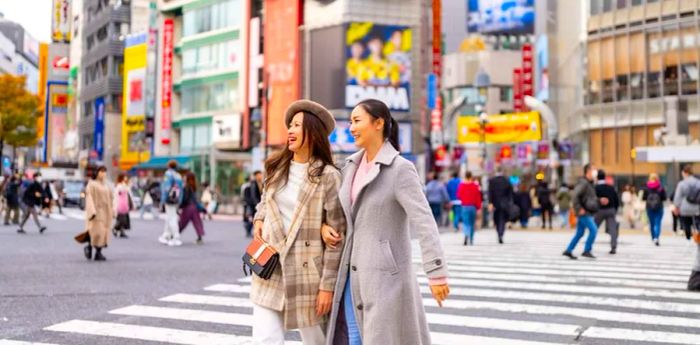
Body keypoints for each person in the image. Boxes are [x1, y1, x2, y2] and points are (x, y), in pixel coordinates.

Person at [320, 99, 449, 345]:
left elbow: (424, 221)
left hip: (385, 279)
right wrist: (324, 227)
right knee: (354, 337)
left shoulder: (400, 169)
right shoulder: (350, 167)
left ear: (378, 123)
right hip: (349, 274)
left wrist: (437, 272)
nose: (351, 128)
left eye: (357, 121)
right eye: (351, 122)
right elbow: (338, 213)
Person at [250, 100, 346, 345]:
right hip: (270, 268)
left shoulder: (328, 176)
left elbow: (338, 237)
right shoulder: (276, 167)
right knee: (265, 339)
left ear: (313, 132)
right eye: (290, 125)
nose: (290, 131)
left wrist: (327, 286)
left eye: (297, 126)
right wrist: (260, 217)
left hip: (309, 276)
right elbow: (265, 200)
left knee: (317, 342)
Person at [563, 164, 600, 260]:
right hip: (583, 211)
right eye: (593, 169)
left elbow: (588, 197)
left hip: (586, 210)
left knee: (580, 232)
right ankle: (587, 250)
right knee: (593, 230)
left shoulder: (589, 183)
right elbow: (575, 195)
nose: (595, 171)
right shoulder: (583, 183)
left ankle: (569, 250)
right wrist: (578, 208)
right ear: (588, 171)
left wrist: (599, 200)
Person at [84, 166, 114, 261]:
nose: (103, 173)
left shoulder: (106, 185)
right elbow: (89, 198)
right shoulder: (91, 184)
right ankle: (93, 249)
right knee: (97, 232)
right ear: (97, 172)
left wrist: (113, 210)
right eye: (101, 171)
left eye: (105, 171)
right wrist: (92, 211)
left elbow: (111, 198)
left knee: (103, 232)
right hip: (96, 212)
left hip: (105, 212)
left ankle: (97, 252)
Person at [594, 170, 620, 254]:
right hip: (611, 210)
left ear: (597, 178)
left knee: (593, 228)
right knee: (613, 229)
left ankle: (589, 246)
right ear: (605, 177)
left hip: (599, 211)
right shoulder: (610, 187)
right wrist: (615, 210)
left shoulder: (595, 188)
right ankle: (613, 247)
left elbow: (592, 200)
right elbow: (616, 200)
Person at [158, 160, 184, 246]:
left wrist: (162, 200)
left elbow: (166, 187)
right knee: (170, 217)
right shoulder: (178, 176)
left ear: (169, 166)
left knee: (171, 217)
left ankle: (175, 237)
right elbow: (181, 189)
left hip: (169, 199)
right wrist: (180, 200)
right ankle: (166, 235)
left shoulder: (168, 174)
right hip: (176, 199)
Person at [673, 165, 700, 241]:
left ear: (685, 173)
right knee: (697, 224)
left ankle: (689, 238)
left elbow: (678, 197)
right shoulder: (698, 182)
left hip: (685, 208)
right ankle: (697, 237)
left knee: (686, 224)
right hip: (697, 207)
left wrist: (676, 207)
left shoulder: (682, 183)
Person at [179, 172, 206, 244]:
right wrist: (201, 208)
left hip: (188, 207)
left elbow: (184, 199)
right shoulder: (193, 187)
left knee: (182, 222)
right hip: (194, 208)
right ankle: (200, 238)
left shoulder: (186, 187)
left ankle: (175, 235)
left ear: (188, 178)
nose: (184, 177)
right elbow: (195, 199)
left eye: (185, 176)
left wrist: (180, 206)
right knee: (197, 222)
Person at [489, 167, 514, 244]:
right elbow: (510, 193)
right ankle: (501, 233)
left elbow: (490, 193)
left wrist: (490, 202)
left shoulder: (492, 181)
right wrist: (510, 202)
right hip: (505, 203)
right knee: (502, 219)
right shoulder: (506, 181)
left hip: (495, 203)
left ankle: (498, 232)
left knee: (496, 219)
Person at [456, 171, 482, 245]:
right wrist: (479, 208)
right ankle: (471, 238)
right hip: (473, 207)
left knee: (466, 222)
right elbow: (478, 197)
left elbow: (458, 195)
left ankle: (466, 234)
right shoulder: (475, 185)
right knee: (472, 223)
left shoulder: (461, 185)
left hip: (464, 206)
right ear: (471, 176)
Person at [642, 173, 667, 246]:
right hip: (659, 207)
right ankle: (656, 237)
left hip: (649, 207)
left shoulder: (646, 187)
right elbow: (664, 198)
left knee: (651, 223)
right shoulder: (660, 187)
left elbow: (644, 198)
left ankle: (653, 238)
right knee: (658, 223)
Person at [242, 171, 263, 238]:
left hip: (257, 204)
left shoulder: (261, 183)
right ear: (256, 176)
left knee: (254, 218)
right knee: (253, 218)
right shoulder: (253, 184)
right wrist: (257, 204)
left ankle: (250, 231)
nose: (261, 176)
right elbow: (253, 196)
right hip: (254, 205)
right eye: (259, 175)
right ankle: (249, 231)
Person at [113, 174, 133, 239]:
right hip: (120, 206)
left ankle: (122, 232)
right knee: (121, 220)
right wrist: (115, 207)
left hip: (125, 205)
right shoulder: (119, 186)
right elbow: (116, 196)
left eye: (126, 177)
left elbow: (130, 195)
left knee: (124, 220)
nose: (126, 179)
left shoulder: (126, 186)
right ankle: (115, 228)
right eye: (124, 177)